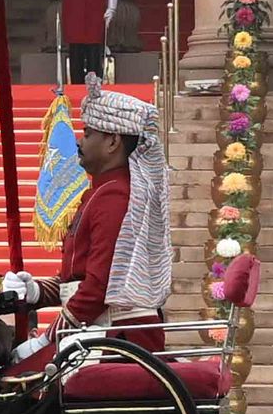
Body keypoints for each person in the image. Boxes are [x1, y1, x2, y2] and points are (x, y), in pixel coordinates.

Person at [47, 84, 176, 349]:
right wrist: (35, 291)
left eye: (88, 133)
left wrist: (48, 337)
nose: (79, 141)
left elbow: (99, 286)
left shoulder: (115, 195)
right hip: (99, 327)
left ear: (113, 142)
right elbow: (78, 276)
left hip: (115, 335)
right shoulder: (103, 191)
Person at [60, 0, 116, 86]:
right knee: (75, 48)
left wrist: (111, 8)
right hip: (74, 4)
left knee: (94, 48)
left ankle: (95, 86)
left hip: (95, 4)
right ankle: (76, 87)